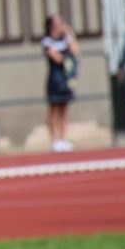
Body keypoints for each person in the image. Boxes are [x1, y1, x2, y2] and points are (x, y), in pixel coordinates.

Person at [42, 14, 80, 152]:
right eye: (57, 23)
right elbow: (56, 57)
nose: (59, 25)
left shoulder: (65, 38)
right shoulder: (47, 41)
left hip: (65, 78)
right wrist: (66, 57)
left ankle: (63, 138)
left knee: (64, 109)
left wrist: (69, 34)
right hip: (55, 76)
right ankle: (54, 140)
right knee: (53, 109)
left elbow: (75, 50)